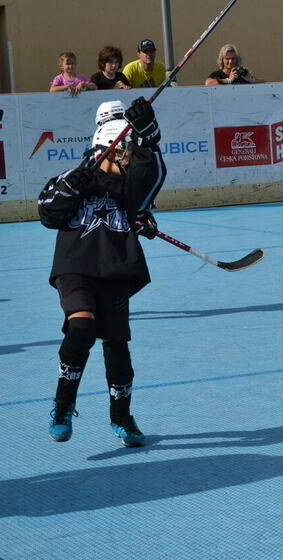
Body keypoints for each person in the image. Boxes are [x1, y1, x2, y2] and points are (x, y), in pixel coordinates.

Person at [37, 97, 167, 448]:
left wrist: (150, 139)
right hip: (75, 267)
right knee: (81, 326)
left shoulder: (129, 190)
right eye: (123, 153)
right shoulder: (75, 177)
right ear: (106, 150)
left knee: (117, 347)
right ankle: (63, 406)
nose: (128, 159)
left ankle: (121, 417)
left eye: (130, 153)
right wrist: (68, 190)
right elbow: (47, 213)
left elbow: (151, 179)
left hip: (114, 270)